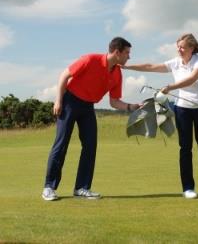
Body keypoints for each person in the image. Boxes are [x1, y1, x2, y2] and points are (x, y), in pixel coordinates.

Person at [123, 33, 198, 199]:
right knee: (185, 148)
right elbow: (151, 66)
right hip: (183, 110)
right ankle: (188, 188)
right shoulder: (175, 62)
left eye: (182, 47)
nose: (179, 50)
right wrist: (128, 67)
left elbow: (192, 79)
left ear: (192, 48)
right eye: (178, 47)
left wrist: (170, 87)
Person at [42, 37, 139, 201]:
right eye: (127, 53)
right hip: (69, 102)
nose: (129, 57)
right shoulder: (90, 59)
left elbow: (114, 102)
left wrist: (131, 107)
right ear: (117, 52)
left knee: (90, 146)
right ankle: (49, 188)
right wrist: (58, 100)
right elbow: (64, 76)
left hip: (88, 108)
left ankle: (81, 188)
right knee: (61, 143)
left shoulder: (117, 73)